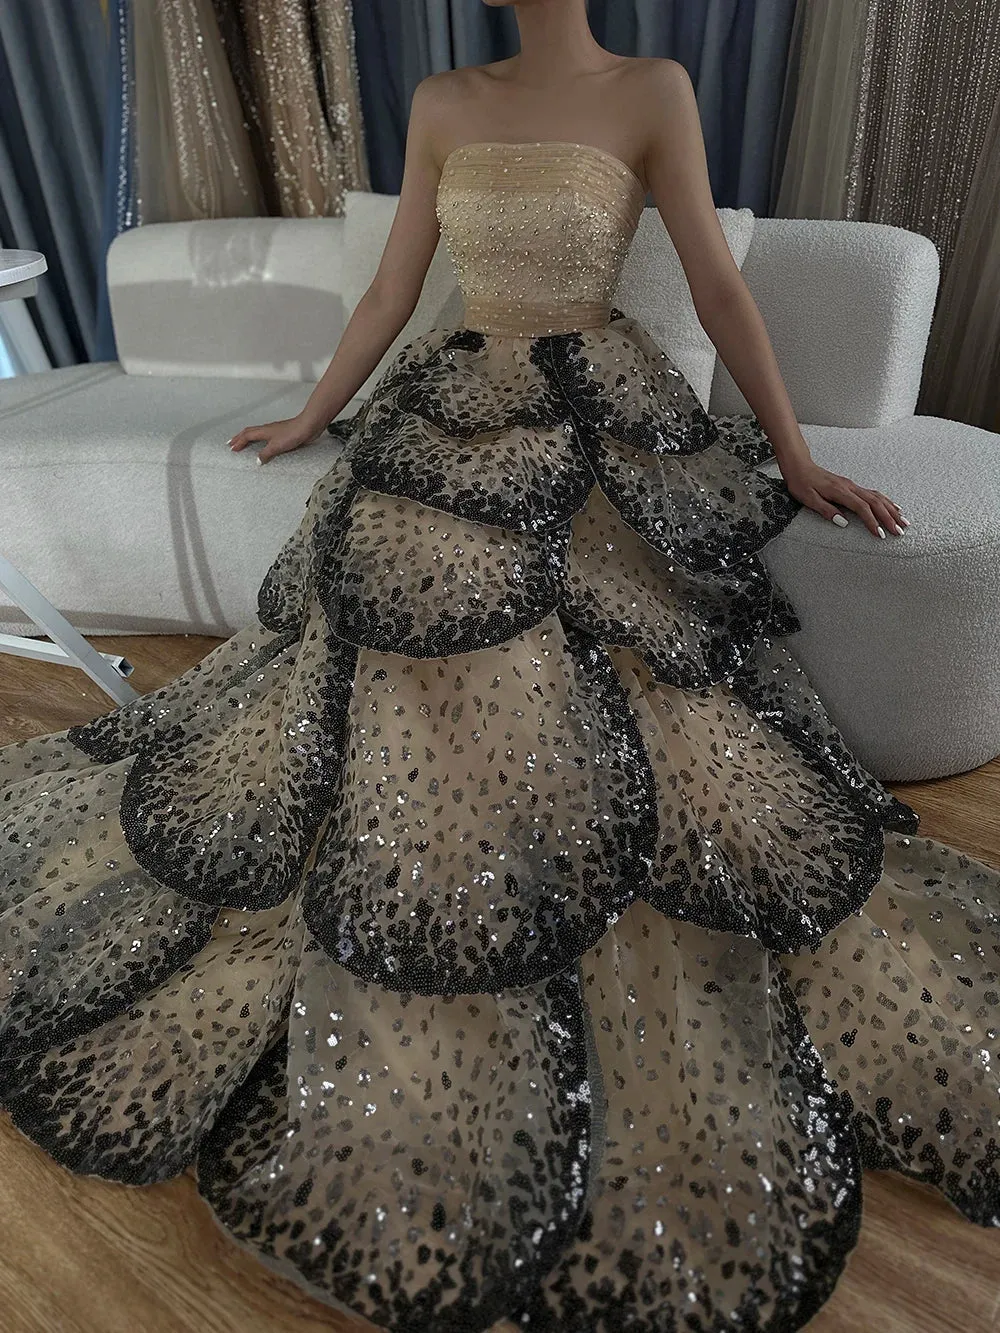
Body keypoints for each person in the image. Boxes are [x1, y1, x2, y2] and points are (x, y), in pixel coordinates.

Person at [1, 3, 997, 1331]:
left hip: (594, 410)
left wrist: (800, 459)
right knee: (388, 619)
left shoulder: (653, 88)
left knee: (613, 644)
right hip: (453, 401)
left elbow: (717, 287)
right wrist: (311, 414)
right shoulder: (446, 100)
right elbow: (391, 290)